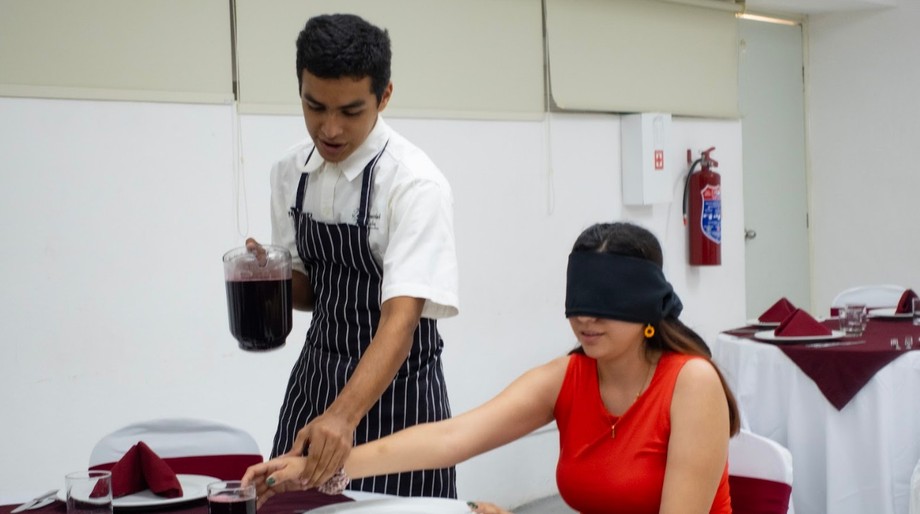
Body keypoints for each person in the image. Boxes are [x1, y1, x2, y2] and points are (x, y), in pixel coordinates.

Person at [243, 222, 741, 514]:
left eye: (605, 304)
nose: (585, 319)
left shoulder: (690, 383)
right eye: (577, 303)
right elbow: (452, 438)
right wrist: (317, 468)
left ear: (647, 306)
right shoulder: (568, 377)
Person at [245, 13, 460, 498]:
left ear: (384, 97)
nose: (330, 128)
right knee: (289, 505)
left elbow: (401, 321)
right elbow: (311, 291)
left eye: (351, 110)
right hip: (316, 379)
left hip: (400, 393)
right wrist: (271, 275)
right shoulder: (290, 172)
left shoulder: (413, 184)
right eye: (314, 106)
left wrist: (343, 417)